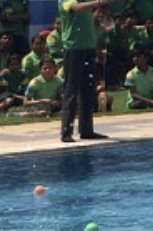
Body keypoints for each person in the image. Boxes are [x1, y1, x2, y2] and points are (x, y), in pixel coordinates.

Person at [59, 0, 111, 143]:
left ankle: (87, 130)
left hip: (89, 47)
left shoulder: (87, 3)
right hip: (74, 49)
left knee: (88, 90)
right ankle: (66, 132)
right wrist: (98, 2)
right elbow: (76, 8)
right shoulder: (67, 1)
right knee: (71, 90)